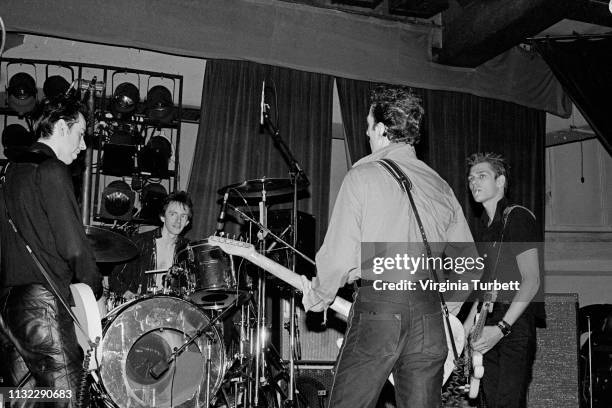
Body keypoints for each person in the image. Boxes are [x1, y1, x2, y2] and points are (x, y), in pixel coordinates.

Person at [301, 86, 477, 408]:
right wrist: (445, 309)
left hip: (379, 310)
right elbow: (470, 263)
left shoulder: (362, 176)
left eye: (368, 127)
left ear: (381, 130)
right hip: (429, 315)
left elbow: (339, 257)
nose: (367, 134)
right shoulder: (440, 185)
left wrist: (319, 297)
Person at [0, 95, 103, 405]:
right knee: (70, 398)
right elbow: (74, 245)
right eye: (80, 133)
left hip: (7, 307)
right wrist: (96, 294)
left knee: (25, 401)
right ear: (60, 127)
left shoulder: (10, 171)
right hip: (41, 306)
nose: (83, 145)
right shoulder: (52, 170)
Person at [465, 152, 543, 408]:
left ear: (500, 181)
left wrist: (501, 329)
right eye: (471, 177)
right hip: (488, 327)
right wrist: (464, 334)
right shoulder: (487, 230)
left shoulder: (517, 217)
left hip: (512, 327)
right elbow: (484, 293)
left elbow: (531, 281)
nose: (473, 181)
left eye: (482, 175)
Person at [109, 191, 192, 301]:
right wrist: (130, 296)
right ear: (163, 217)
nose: (178, 220)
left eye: (183, 216)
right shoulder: (139, 242)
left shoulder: (188, 249)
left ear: (187, 222)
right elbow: (115, 278)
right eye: (173, 214)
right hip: (142, 309)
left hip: (174, 309)